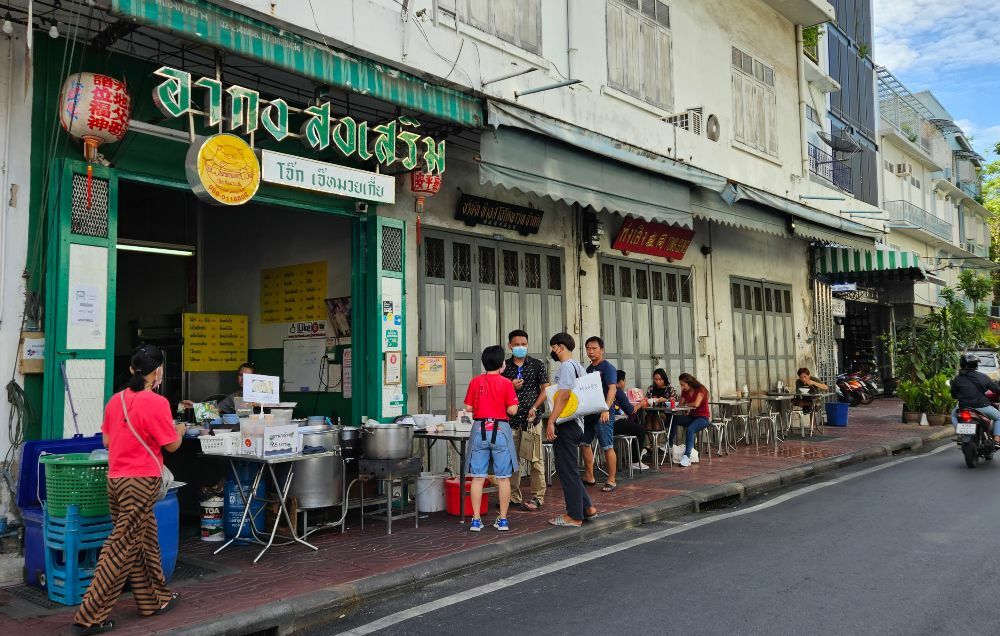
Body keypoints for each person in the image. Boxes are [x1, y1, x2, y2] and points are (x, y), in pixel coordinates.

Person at [72, 345, 185, 635]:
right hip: (141, 480)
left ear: (134, 369)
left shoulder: (115, 401)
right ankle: (89, 616)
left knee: (144, 538)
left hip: (116, 480)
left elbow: (108, 443)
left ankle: (154, 600)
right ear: (157, 371)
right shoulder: (156, 402)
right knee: (120, 546)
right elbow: (170, 445)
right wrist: (180, 431)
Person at [463, 345, 519, 532]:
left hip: (479, 429)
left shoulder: (474, 381)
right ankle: (502, 520)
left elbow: (469, 408)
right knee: (503, 478)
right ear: (502, 363)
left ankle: (476, 520)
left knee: (478, 477)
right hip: (501, 430)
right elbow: (512, 410)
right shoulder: (506, 383)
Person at [546, 333, 598, 528]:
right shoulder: (577, 366)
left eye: (553, 347)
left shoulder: (567, 366)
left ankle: (574, 516)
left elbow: (565, 395)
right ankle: (587, 508)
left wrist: (551, 420)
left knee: (566, 470)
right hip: (577, 424)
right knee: (570, 470)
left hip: (567, 424)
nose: (552, 351)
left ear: (560, 346)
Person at [500, 330, 549, 511]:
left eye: (523, 344)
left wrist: (535, 408)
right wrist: (509, 385)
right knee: (512, 461)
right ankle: (513, 496)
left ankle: (538, 497)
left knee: (536, 460)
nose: (520, 347)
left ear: (527, 345)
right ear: (510, 346)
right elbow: (497, 391)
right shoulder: (504, 367)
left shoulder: (537, 365)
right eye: (516, 344)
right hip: (510, 421)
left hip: (531, 420)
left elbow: (545, 390)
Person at [580, 337, 619, 493]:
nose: (591, 351)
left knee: (607, 446)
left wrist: (605, 409)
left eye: (594, 348)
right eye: (588, 348)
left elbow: (612, 389)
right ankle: (589, 475)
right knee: (584, 443)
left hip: (604, 413)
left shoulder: (608, 368)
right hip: (589, 413)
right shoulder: (588, 370)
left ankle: (611, 479)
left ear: (602, 350)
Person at [951, 353, 1000, 444]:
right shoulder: (983, 377)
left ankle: (960, 434)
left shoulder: (957, 379)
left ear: (962, 364)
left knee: (953, 415)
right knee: (998, 418)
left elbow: (953, 395)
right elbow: (996, 389)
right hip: (982, 406)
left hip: (963, 407)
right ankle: (997, 439)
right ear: (976, 365)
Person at [668, 373, 712, 467]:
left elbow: (696, 404)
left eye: (683, 385)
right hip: (691, 417)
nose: (682, 387)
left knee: (690, 429)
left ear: (690, 383)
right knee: (674, 419)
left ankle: (687, 457)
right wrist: (672, 401)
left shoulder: (701, 390)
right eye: (681, 385)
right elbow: (681, 405)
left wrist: (686, 405)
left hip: (702, 418)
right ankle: (669, 445)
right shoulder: (685, 391)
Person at [611, 370, 652, 471]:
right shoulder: (617, 390)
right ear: (621, 381)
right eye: (624, 381)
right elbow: (630, 411)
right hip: (615, 423)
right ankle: (635, 461)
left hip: (604, 423)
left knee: (635, 424)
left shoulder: (605, 388)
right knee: (640, 430)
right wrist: (640, 404)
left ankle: (639, 450)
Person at [181, 362, 255, 415]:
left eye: (247, 376)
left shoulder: (263, 394)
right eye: (240, 375)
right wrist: (195, 406)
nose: (243, 379)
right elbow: (215, 410)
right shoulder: (235, 397)